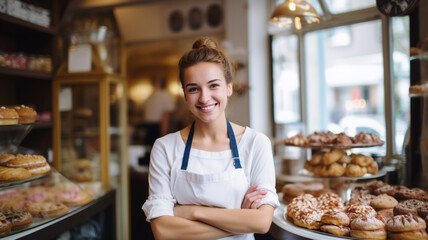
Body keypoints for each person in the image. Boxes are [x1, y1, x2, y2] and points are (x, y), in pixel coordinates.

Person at [142, 36, 279, 240]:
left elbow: (262, 222)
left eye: (213, 85)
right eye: (194, 88)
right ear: (185, 95)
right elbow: (162, 231)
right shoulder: (165, 147)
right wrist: (240, 220)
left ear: (229, 87)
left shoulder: (256, 143)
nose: (204, 98)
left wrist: (190, 212)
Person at [142, 75, 175, 146]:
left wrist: (163, 134)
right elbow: (166, 115)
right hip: (152, 128)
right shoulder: (152, 95)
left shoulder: (162, 95)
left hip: (156, 128)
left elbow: (166, 115)